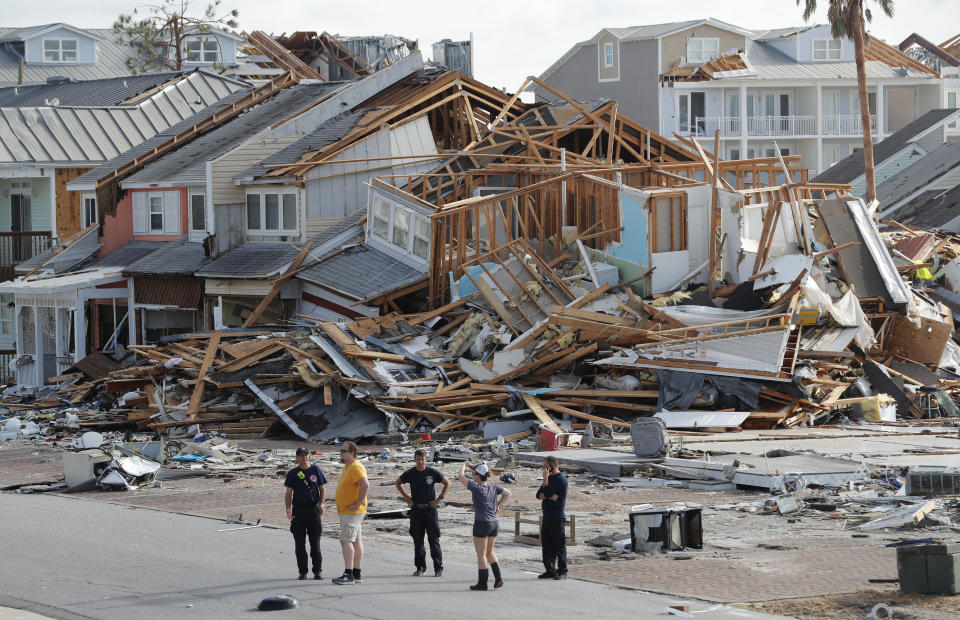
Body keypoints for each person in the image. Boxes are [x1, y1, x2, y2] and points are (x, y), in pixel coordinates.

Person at [396, 449, 451, 577]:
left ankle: (438, 568)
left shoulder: (432, 472)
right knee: (418, 540)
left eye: (422, 459)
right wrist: (406, 497)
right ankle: (420, 567)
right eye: (418, 459)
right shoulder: (410, 473)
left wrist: (439, 499)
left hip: (430, 510)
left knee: (434, 540)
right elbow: (398, 483)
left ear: (426, 459)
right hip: (416, 511)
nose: (420, 461)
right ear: (414, 459)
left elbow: (447, 483)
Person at [458, 460, 511, 591]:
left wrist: (464, 466)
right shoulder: (493, 487)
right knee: (490, 552)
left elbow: (460, 476)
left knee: (481, 554)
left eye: (474, 474)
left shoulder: (477, 488)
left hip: (482, 523)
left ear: (478, 475)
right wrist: (499, 506)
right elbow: (508, 493)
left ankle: (482, 583)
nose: (473, 475)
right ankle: (498, 579)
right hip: (494, 523)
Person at [284, 447, 327, 580]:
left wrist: (322, 503)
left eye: (306, 455)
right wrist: (288, 509)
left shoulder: (315, 470)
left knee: (315, 543)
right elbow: (288, 493)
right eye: (301, 455)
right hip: (299, 510)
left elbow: (322, 488)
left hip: (313, 510)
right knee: (300, 543)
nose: (304, 458)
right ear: (297, 457)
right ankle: (302, 571)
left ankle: (317, 571)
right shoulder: (292, 473)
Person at [332, 441, 369, 585]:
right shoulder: (346, 467)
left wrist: (358, 503)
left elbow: (365, 485)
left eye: (343, 451)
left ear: (352, 453)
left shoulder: (355, 467)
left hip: (352, 511)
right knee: (356, 540)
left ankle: (348, 574)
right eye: (340, 451)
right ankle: (357, 572)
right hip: (348, 511)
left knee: (346, 540)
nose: (340, 453)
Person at [535, 455, 568, 580]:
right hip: (547, 517)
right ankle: (550, 570)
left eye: (545, 466)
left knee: (559, 545)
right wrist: (548, 493)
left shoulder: (560, 479)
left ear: (552, 465)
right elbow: (538, 495)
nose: (544, 469)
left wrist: (545, 480)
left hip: (556, 517)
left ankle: (562, 571)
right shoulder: (548, 479)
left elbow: (547, 493)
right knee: (547, 545)